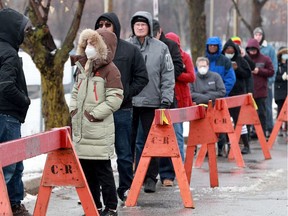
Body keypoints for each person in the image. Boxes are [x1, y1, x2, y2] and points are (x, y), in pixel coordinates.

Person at [94, 12, 149, 202]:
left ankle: (126, 187)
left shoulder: (129, 50)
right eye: (100, 24)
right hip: (97, 111)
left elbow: (142, 77)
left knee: (124, 152)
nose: (103, 27)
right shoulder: (91, 51)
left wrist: (124, 95)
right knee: (97, 153)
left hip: (121, 110)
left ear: (115, 27)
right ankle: (98, 190)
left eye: (107, 24)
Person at [69, 28, 123, 216]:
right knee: (87, 172)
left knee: (103, 172)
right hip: (83, 130)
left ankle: (111, 207)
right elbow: (76, 91)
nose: (89, 48)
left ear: (103, 47)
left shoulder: (110, 70)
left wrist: (93, 114)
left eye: (94, 44)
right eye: (87, 44)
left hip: (98, 129)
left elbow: (115, 98)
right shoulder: (83, 67)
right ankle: (94, 207)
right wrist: (74, 110)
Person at [127, 11, 175, 193]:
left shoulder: (161, 48)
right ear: (133, 27)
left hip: (152, 102)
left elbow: (168, 75)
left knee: (151, 142)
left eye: (143, 24)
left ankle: (150, 178)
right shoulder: (125, 46)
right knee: (126, 142)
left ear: (149, 27)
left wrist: (165, 100)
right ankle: (128, 177)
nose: (140, 27)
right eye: (136, 24)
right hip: (128, 102)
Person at [0, 8, 31, 216]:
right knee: (11, 165)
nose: (24, 34)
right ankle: (11, 205)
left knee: (12, 164)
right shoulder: (9, 53)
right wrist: (25, 101)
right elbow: (5, 85)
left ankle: (13, 203)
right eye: (22, 29)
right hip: (8, 115)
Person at [152, 19, 186, 187]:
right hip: (145, 97)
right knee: (145, 138)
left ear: (160, 32)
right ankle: (148, 174)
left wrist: (165, 79)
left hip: (166, 96)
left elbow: (179, 67)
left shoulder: (170, 46)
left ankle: (167, 174)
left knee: (167, 136)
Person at [205, 36, 236, 156]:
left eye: (214, 46)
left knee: (220, 123)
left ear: (218, 47)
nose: (212, 48)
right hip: (205, 98)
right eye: (210, 45)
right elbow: (197, 76)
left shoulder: (225, 61)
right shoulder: (204, 60)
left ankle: (221, 146)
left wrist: (222, 93)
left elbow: (230, 79)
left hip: (220, 98)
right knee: (207, 124)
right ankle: (207, 148)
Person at [222, 39, 251, 154]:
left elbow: (247, 74)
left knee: (239, 120)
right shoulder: (222, 60)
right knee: (226, 121)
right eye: (227, 50)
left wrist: (237, 69)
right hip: (225, 93)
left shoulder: (240, 60)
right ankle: (229, 144)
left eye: (231, 50)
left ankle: (246, 144)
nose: (229, 52)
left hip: (238, 93)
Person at [246, 38, 274, 139]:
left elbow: (271, 71)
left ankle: (262, 133)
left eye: (254, 49)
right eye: (250, 50)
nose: (252, 52)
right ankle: (248, 133)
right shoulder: (245, 59)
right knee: (248, 114)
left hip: (261, 91)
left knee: (262, 113)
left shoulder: (265, 59)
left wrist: (259, 71)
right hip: (248, 91)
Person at [253, 27, 278, 137]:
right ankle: (255, 129)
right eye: (256, 35)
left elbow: (274, 66)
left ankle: (268, 128)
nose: (258, 37)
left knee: (266, 107)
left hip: (265, 83)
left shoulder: (269, 49)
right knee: (255, 108)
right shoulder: (251, 49)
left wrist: (270, 81)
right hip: (254, 85)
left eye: (260, 35)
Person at [274, 47, 288, 136]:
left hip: (287, 89)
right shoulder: (277, 65)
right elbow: (274, 76)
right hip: (279, 90)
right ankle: (278, 127)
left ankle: (286, 126)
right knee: (280, 110)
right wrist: (281, 78)